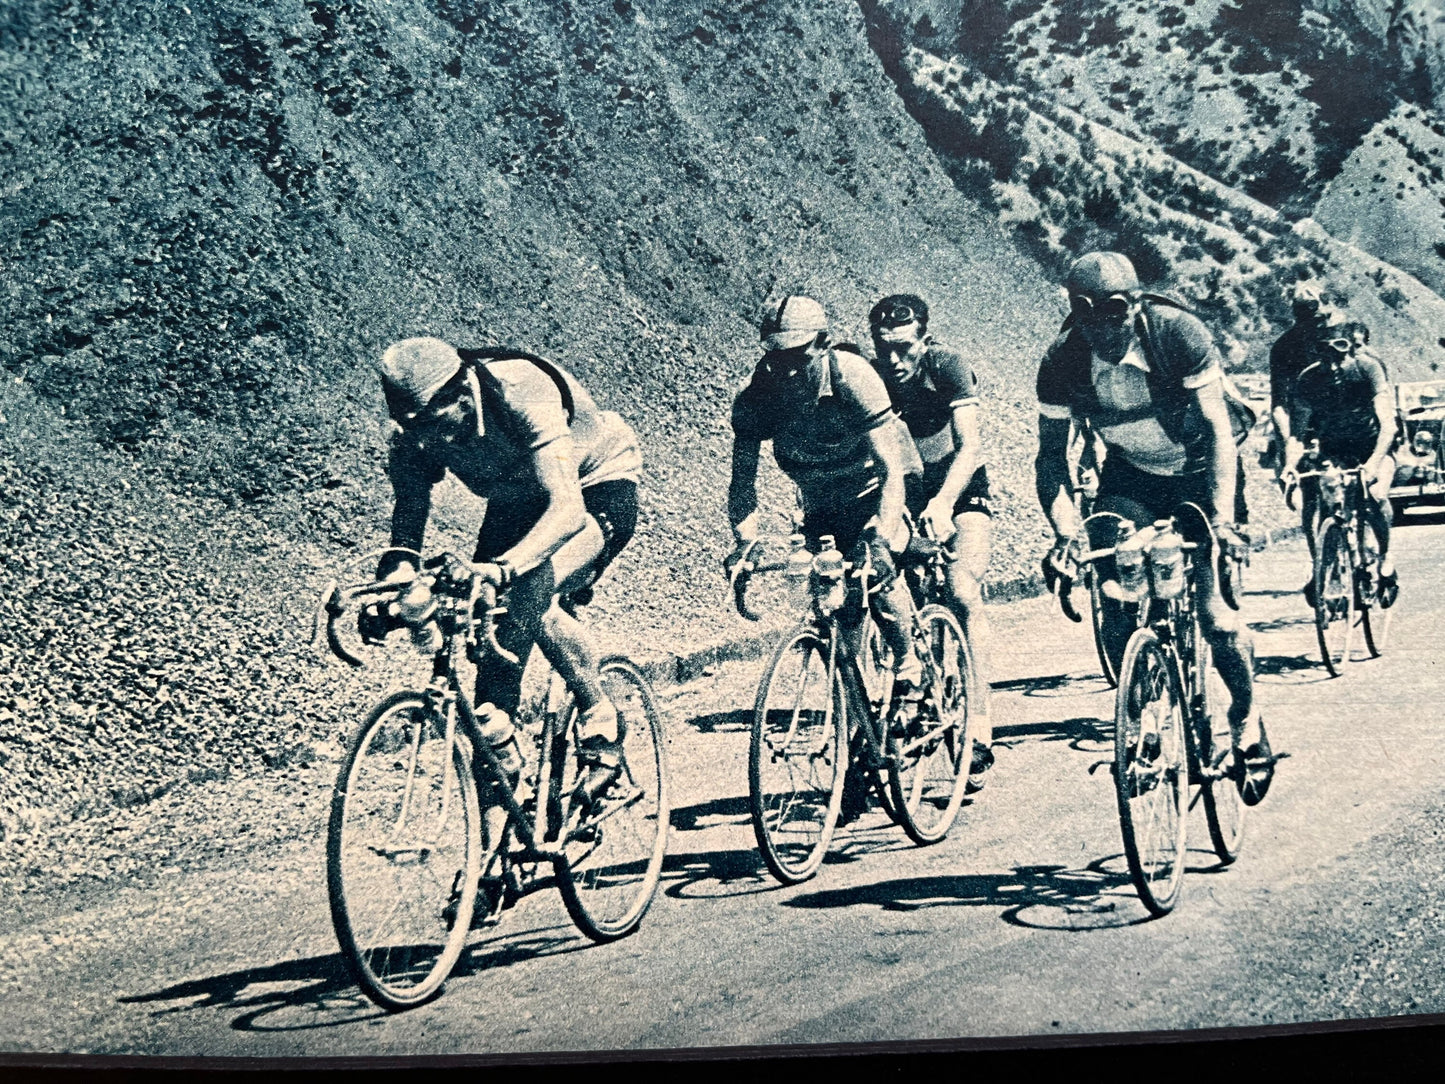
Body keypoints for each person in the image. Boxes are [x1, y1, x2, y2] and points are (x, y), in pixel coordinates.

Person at [362, 337, 643, 812]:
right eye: (415, 433)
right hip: (517, 499)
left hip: (593, 484)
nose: (427, 444)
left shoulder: (522, 391)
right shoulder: (415, 433)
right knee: (493, 649)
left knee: (530, 590)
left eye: (434, 427)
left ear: (464, 395)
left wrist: (500, 568)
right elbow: (407, 526)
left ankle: (601, 716)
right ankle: (501, 819)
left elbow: (567, 509)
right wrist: (395, 588)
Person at [1034, 252, 1276, 804]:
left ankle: (1246, 720)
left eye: (1114, 313)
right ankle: (1144, 718)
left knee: (1215, 617)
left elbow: (1218, 431)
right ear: (1074, 314)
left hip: (1197, 470)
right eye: (1085, 314)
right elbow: (1051, 460)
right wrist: (1065, 533)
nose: (1103, 328)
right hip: (1131, 477)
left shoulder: (1177, 334)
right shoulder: (1062, 362)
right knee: (1117, 597)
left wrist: (1220, 519)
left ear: (1136, 305)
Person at [726, 295, 928, 823]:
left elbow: (892, 469)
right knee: (839, 619)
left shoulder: (853, 376)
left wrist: (884, 532)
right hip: (818, 502)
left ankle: (909, 665)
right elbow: (742, 486)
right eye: (773, 356)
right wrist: (745, 544)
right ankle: (858, 744)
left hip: (874, 486)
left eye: (794, 356)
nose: (781, 368)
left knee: (875, 571)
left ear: (821, 344)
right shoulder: (759, 396)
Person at [866, 293, 995, 788]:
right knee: (894, 594)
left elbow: (971, 448)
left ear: (925, 340)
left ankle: (979, 724)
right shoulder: (871, 376)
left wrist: (943, 505)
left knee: (962, 590)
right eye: (884, 349)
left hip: (958, 485)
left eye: (904, 348)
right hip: (905, 487)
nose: (893, 360)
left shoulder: (947, 367)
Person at [1282, 321, 1399, 607]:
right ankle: (1323, 566)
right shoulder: (1308, 380)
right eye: (1324, 357)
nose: (1332, 366)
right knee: (1325, 500)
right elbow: (1297, 433)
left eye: (1340, 355)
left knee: (1376, 495)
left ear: (1353, 351)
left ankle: (1386, 557)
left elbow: (1388, 427)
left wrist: (1373, 464)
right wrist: (1289, 466)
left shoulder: (1368, 369)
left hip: (1374, 448)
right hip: (1334, 450)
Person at [1266, 280, 1342, 484]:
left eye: (1324, 320)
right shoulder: (1283, 348)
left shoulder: (1339, 339)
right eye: (1314, 321)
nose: (1321, 327)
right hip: (1302, 420)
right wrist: (1285, 443)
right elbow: (1278, 404)